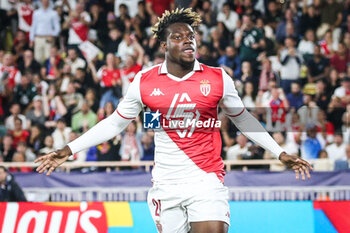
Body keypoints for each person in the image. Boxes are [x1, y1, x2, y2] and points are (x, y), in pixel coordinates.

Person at [35, 8, 312, 233]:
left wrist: (279, 152)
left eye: (191, 36)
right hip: (165, 185)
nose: (188, 40)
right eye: (179, 37)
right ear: (164, 45)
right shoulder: (144, 81)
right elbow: (115, 123)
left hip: (207, 178)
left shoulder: (217, 78)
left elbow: (244, 119)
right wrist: (68, 149)